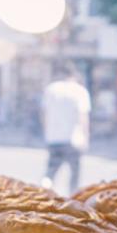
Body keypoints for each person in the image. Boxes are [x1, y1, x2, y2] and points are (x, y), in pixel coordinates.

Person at [42, 63, 91, 193]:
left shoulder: (51, 89)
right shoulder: (80, 91)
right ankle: (72, 196)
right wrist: (86, 137)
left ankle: (44, 191)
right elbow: (83, 117)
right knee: (74, 173)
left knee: (51, 171)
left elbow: (44, 114)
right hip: (74, 139)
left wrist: (47, 133)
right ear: (74, 75)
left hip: (53, 138)